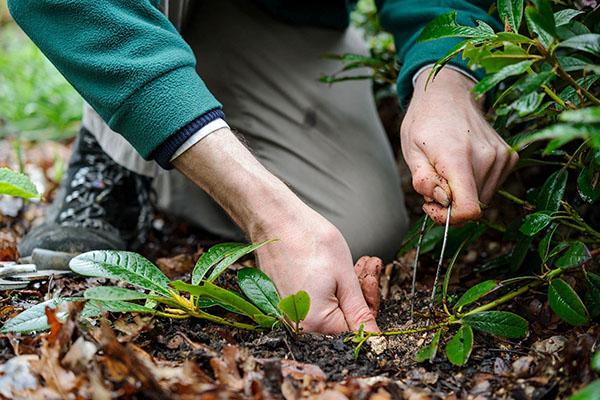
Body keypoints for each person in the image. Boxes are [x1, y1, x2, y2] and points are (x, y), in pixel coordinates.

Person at [8, 0, 518, 334]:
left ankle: (173, 134)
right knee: (296, 232)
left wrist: (446, 74)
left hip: (277, 17)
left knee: (359, 232)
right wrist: (268, 215)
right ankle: (114, 157)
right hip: (135, 9)